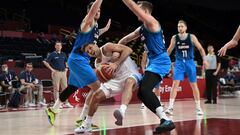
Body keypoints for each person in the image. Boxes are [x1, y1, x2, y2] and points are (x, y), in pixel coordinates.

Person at [45, 0, 112, 126]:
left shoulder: (95, 26)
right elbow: (92, 12)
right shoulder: (88, 21)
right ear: (89, 11)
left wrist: (105, 29)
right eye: (95, 10)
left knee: (72, 87)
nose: (97, 11)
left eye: (99, 10)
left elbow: (96, 34)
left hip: (78, 60)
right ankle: (84, 119)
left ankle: (53, 110)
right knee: (98, 88)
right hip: (78, 60)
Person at [118, 0, 175, 133]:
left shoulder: (152, 22)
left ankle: (166, 120)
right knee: (142, 93)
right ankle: (164, 119)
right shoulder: (142, 28)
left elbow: (132, 7)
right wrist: (117, 49)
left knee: (144, 88)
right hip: (153, 62)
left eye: (139, 9)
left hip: (161, 61)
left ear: (146, 11)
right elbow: (125, 40)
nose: (136, 11)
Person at [74, 42, 141, 133]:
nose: (90, 51)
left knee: (129, 82)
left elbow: (128, 50)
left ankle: (122, 111)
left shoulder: (107, 47)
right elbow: (107, 77)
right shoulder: (97, 64)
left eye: (90, 48)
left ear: (95, 44)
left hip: (130, 73)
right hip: (116, 80)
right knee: (96, 95)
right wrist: (105, 77)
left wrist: (116, 63)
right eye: (88, 52)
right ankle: (87, 124)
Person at [165, 20, 208, 115]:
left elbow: (201, 49)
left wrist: (204, 60)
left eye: (181, 26)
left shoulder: (191, 37)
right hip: (179, 63)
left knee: (193, 85)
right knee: (175, 84)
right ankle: (170, 107)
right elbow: (169, 50)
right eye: (178, 26)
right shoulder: (174, 38)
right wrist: (163, 61)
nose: (180, 28)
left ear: (186, 27)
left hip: (190, 62)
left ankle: (198, 108)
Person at [43, 41, 73, 108]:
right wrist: (52, 69)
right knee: (56, 88)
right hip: (56, 72)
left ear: (61, 47)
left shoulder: (63, 54)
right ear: (55, 46)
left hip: (63, 73)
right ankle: (57, 104)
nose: (58, 47)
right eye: (57, 45)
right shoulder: (52, 54)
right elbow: (45, 62)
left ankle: (66, 102)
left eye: (59, 45)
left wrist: (67, 68)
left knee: (65, 88)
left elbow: (66, 62)